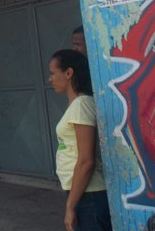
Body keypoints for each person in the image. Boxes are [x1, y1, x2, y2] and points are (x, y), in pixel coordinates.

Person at [49, 49, 111, 231]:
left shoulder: (81, 105)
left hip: (89, 195)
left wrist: (70, 206)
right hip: (83, 193)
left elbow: (86, 161)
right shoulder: (76, 104)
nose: (50, 79)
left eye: (53, 73)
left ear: (68, 73)